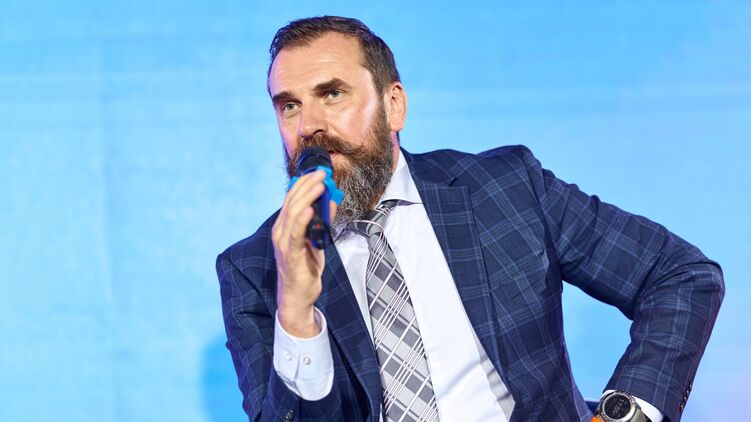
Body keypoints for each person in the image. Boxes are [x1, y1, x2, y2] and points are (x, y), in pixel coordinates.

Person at [216, 16, 724, 422]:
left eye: (332, 94)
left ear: (394, 106)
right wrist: (296, 313)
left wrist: (626, 414)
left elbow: (679, 275)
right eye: (289, 106)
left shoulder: (504, 189)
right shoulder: (256, 269)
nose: (308, 125)